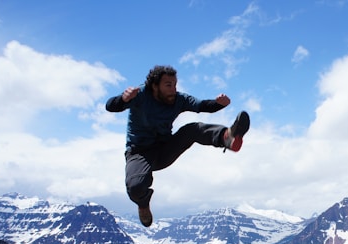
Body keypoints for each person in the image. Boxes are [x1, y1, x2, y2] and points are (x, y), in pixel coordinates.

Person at [105, 65, 250, 227]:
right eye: (168, 85)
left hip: (165, 149)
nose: (173, 89)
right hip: (139, 153)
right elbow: (110, 106)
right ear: (154, 86)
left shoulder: (178, 99)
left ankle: (227, 137)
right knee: (136, 187)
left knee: (192, 129)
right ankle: (143, 204)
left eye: (175, 85)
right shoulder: (140, 95)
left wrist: (219, 104)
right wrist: (123, 99)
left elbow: (201, 105)